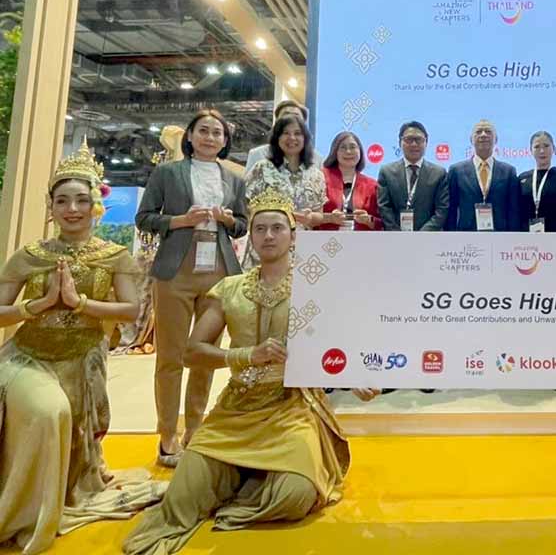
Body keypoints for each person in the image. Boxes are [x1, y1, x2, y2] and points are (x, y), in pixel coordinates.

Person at [123, 190, 378, 555]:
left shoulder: (314, 288)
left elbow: (337, 344)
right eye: (260, 229)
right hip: (236, 411)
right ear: (250, 237)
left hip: (291, 409)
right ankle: (238, 476)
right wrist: (247, 356)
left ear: (293, 235)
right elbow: (192, 352)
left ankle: (240, 482)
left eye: (277, 228)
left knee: (294, 495)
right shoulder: (230, 288)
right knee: (181, 499)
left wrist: (353, 378)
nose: (268, 236)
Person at [0, 142, 164, 554]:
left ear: (96, 205)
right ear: (50, 207)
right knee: (47, 411)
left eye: (81, 200)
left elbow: (131, 310)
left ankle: (57, 493)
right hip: (27, 358)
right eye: (62, 200)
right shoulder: (29, 256)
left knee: (68, 430)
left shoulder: (114, 256)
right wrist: (37, 305)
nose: (72, 209)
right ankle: (23, 511)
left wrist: (80, 303)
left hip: (82, 362)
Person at [136, 109, 248, 468]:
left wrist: (228, 220)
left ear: (225, 140)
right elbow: (144, 217)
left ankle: (196, 430)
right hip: (176, 270)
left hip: (219, 270)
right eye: (204, 131)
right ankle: (167, 435)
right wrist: (180, 220)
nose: (210, 138)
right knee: (170, 357)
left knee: (204, 355)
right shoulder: (168, 173)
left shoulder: (234, 179)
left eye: (217, 133)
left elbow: (243, 224)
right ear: (190, 136)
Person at [244, 114, 326, 264]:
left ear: (305, 139)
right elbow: (245, 207)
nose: (292, 138)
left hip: (303, 253)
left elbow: (319, 216)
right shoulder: (261, 168)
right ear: (277, 138)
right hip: (266, 246)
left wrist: (310, 218)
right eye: (286, 133)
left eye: (297, 133)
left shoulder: (316, 175)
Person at [446, 119, 522, 231]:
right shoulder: (456, 171)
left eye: (488, 131)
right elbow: (451, 209)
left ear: (496, 139)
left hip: (500, 235)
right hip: (466, 235)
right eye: (478, 132)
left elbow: (513, 210)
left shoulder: (509, 171)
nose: (483, 135)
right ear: (471, 140)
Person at [377, 121, 449, 231]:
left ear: (426, 142)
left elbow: (441, 210)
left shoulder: (439, 173)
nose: (414, 144)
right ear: (400, 142)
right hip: (394, 237)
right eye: (409, 139)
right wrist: (397, 234)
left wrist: (421, 236)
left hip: (429, 237)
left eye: (418, 140)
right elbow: (384, 207)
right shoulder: (386, 172)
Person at [316, 131, 381, 231]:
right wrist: (329, 218)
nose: (348, 151)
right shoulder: (320, 178)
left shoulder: (372, 185)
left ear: (360, 151)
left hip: (361, 239)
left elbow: (382, 223)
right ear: (335, 152)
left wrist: (369, 220)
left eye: (352, 147)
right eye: (343, 147)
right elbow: (310, 216)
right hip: (326, 239)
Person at [244, 100, 309, 176]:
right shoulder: (258, 154)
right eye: (286, 115)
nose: (291, 120)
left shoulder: (316, 160)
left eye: (296, 116)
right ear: (276, 123)